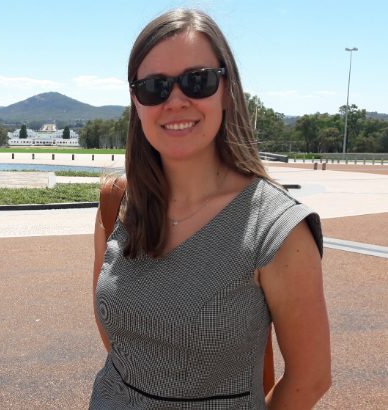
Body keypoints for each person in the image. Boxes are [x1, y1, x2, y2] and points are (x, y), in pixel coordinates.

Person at [90, 8, 331, 409]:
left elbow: (312, 377)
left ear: (226, 89)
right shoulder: (119, 203)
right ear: (136, 100)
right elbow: (117, 341)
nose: (176, 101)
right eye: (154, 87)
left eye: (196, 81)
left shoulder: (275, 229)